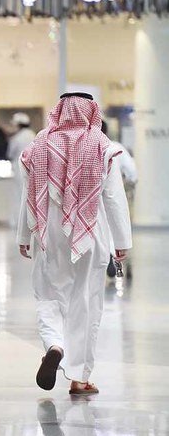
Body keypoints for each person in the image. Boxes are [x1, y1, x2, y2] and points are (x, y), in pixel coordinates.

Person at [17, 93, 132, 395]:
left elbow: (28, 196)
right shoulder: (101, 146)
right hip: (90, 233)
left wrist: (23, 236)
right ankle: (80, 377)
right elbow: (114, 199)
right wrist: (121, 242)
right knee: (86, 302)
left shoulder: (39, 145)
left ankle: (54, 344)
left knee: (48, 295)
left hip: (49, 234)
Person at [102, 120, 137, 279]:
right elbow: (132, 172)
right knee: (118, 224)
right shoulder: (116, 147)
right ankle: (118, 258)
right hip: (117, 192)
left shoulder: (81, 147)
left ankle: (106, 256)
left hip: (91, 198)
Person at [7, 112, 36, 227]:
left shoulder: (16, 138)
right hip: (33, 169)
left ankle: (18, 222)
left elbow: (10, 153)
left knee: (18, 195)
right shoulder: (33, 135)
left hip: (19, 170)